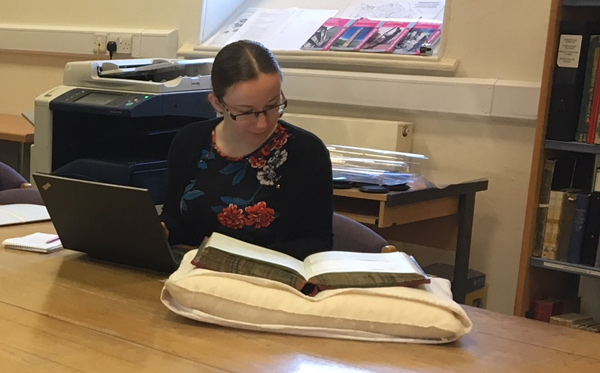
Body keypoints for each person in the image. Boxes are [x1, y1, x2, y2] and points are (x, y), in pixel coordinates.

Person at [160, 40, 333, 260]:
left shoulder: (306, 152)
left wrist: (240, 259)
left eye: (272, 106)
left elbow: (317, 243)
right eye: (246, 112)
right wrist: (162, 229)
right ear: (217, 103)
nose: (262, 123)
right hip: (194, 277)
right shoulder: (191, 141)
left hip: (267, 283)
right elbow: (175, 220)